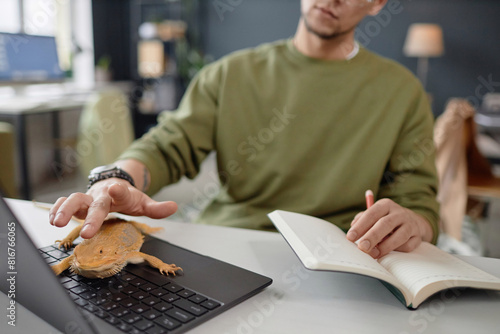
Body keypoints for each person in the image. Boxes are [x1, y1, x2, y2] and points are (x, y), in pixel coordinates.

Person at [50, 0, 439, 259]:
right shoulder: (229, 74)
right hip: (229, 246)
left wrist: (412, 222)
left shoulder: (402, 92)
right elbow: (169, 145)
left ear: (377, 4)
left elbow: (418, 203)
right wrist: (117, 178)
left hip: (340, 256)